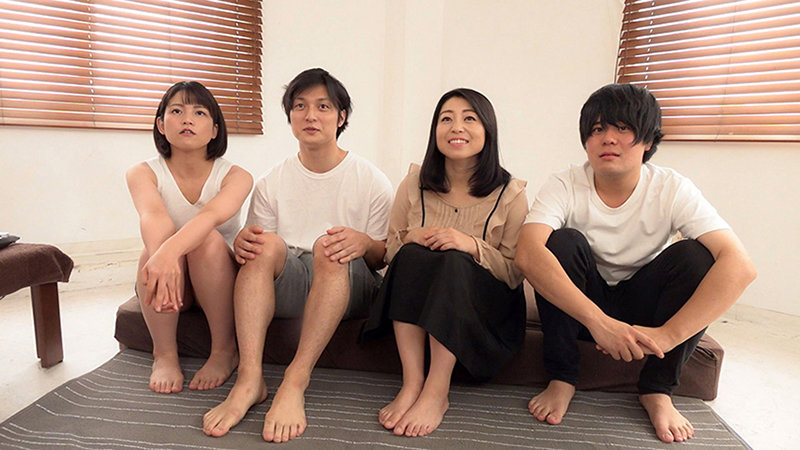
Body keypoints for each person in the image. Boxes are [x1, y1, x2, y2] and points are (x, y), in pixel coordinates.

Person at [515, 83, 756, 443]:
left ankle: (657, 388)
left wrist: (666, 335)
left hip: (645, 314)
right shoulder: (565, 183)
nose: (608, 139)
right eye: (597, 129)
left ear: (648, 140)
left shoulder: (672, 187)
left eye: (623, 128)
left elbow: (740, 265)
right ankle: (562, 377)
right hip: (584, 310)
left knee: (697, 256)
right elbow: (527, 252)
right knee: (561, 243)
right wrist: (599, 323)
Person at [202, 68, 394, 443]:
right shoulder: (271, 181)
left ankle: (295, 379)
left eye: (323, 106)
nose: (310, 116)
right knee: (264, 244)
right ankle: (249, 379)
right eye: (300, 106)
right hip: (292, 281)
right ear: (290, 116)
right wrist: (243, 244)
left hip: (349, 284)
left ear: (341, 117)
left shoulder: (371, 179)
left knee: (328, 246)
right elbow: (256, 253)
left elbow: (382, 258)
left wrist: (363, 243)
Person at [361, 88, 529, 437]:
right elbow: (389, 252)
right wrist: (412, 236)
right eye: (446, 118)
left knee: (454, 259)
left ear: (487, 130)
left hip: (486, 312)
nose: (457, 127)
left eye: (469, 118)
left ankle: (437, 391)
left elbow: (515, 273)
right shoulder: (414, 183)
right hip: (421, 299)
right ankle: (412, 383)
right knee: (411, 252)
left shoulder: (510, 193)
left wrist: (470, 245)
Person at [126, 81, 253, 394]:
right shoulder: (142, 172)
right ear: (161, 125)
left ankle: (224, 350)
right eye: (176, 111)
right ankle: (164, 354)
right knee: (151, 253)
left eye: (199, 113)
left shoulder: (236, 176)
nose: (187, 119)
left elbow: (209, 216)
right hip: (174, 283)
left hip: (218, 278)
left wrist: (169, 253)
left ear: (214, 130)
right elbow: (153, 216)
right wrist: (163, 257)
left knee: (206, 239)